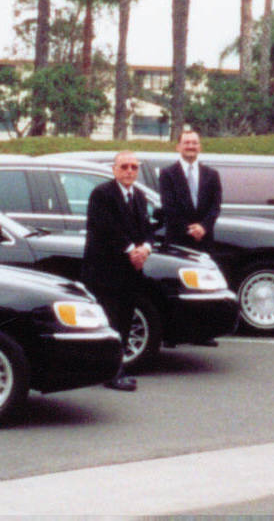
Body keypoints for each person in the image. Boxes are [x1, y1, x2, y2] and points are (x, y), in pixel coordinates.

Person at [83, 150, 155, 391]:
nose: (129, 171)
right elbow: (105, 228)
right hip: (105, 272)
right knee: (110, 323)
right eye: (124, 166)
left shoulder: (139, 196)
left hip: (130, 273)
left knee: (125, 321)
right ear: (114, 169)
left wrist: (144, 249)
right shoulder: (102, 194)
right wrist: (131, 251)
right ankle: (109, 373)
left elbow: (147, 228)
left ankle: (117, 368)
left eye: (134, 167)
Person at [157, 128, 222, 248]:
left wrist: (203, 227)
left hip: (204, 240)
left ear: (200, 147)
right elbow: (169, 207)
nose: (191, 146)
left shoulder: (212, 174)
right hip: (177, 240)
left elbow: (215, 206)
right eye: (186, 143)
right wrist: (189, 230)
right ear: (178, 147)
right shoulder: (167, 174)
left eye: (194, 143)